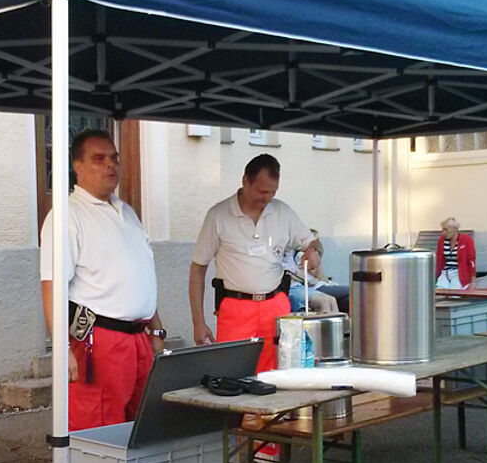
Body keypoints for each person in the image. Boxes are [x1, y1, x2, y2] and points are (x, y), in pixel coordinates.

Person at [39, 130, 165, 432]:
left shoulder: (128, 213)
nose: (110, 165)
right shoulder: (68, 216)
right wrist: (62, 349)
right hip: (101, 341)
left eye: (114, 158)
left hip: (139, 339)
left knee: (142, 428)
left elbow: (141, 276)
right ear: (78, 166)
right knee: (101, 431)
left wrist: (156, 329)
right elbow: (53, 285)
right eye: (99, 159)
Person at [188, 154, 314, 372]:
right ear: (245, 181)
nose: (267, 198)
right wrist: (198, 322)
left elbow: (311, 242)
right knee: (233, 374)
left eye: (272, 192)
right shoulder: (218, 215)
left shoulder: (282, 211)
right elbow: (198, 269)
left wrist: (314, 252)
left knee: (278, 372)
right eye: (262, 191)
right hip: (236, 308)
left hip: (276, 306)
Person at [286, 233, 350, 314]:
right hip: (304, 287)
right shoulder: (295, 255)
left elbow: (319, 276)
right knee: (351, 291)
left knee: (347, 300)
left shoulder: (300, 254)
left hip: (306, 286)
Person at [435, 217, 476, 289]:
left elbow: (471, 261)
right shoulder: (441, 241)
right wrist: (436, 276)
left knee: (455, 292)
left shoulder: (466, 240)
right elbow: (439, 260)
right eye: (442, 230)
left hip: (459, 273)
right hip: (445, 272)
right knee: (439, 290)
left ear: (454, 229)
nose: (443, 232)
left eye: (446, 230)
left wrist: (473, 282)